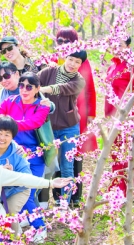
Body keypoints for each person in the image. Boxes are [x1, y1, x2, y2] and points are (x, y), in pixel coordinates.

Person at [43, 27, 98, 206]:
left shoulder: (81, 61)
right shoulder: (52, 61)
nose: (64, 45)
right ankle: (59, 196)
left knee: (74, 154)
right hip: (54, 114)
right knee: (56, 156)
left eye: (68, 41)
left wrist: (91, 113)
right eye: (60, 41)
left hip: (77, 111)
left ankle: (74, 196)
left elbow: (89, 88)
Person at [0, 72, 51, 227]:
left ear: (37, 88)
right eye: (21, 85)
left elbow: (34, 123)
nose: (24, 90)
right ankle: (24, 226)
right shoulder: (9, 102)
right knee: (15, 194)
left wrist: (8, 123)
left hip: (34, 155)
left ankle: (39, 227)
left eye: (29, 86)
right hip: (13, 154)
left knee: (28, 193)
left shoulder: (42, 105)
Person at [37, 51, 87, 206]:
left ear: (81, 64)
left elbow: (62, 89)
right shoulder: (50, 71)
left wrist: (43, 90)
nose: (72, 64)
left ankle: (65, 202)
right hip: (48, 127)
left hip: (69, 127)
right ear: (65, 58)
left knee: (67, 165)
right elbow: (33, 81)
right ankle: (39, 201)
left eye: (77, 62)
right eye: (70, 59)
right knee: (44, 163)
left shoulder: (79, 80)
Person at [0, 115, 46, 239]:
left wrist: (11, 175)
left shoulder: (17, 153)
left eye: (7, 135)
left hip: (17, 190)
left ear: (12, 137)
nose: (2, 138)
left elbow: (27, 178)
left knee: (9, 213)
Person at [105, 37, 134, 195]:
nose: (116, 48)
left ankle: (129, 188)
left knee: (127, 151)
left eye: (120, 45)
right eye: (113, 44)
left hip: (127, 117)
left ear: (128, 46)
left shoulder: (133, 65)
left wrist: (132, 113)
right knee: (115, 151)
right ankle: (117, 185)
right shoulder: (113, 64)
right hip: (113, 116)